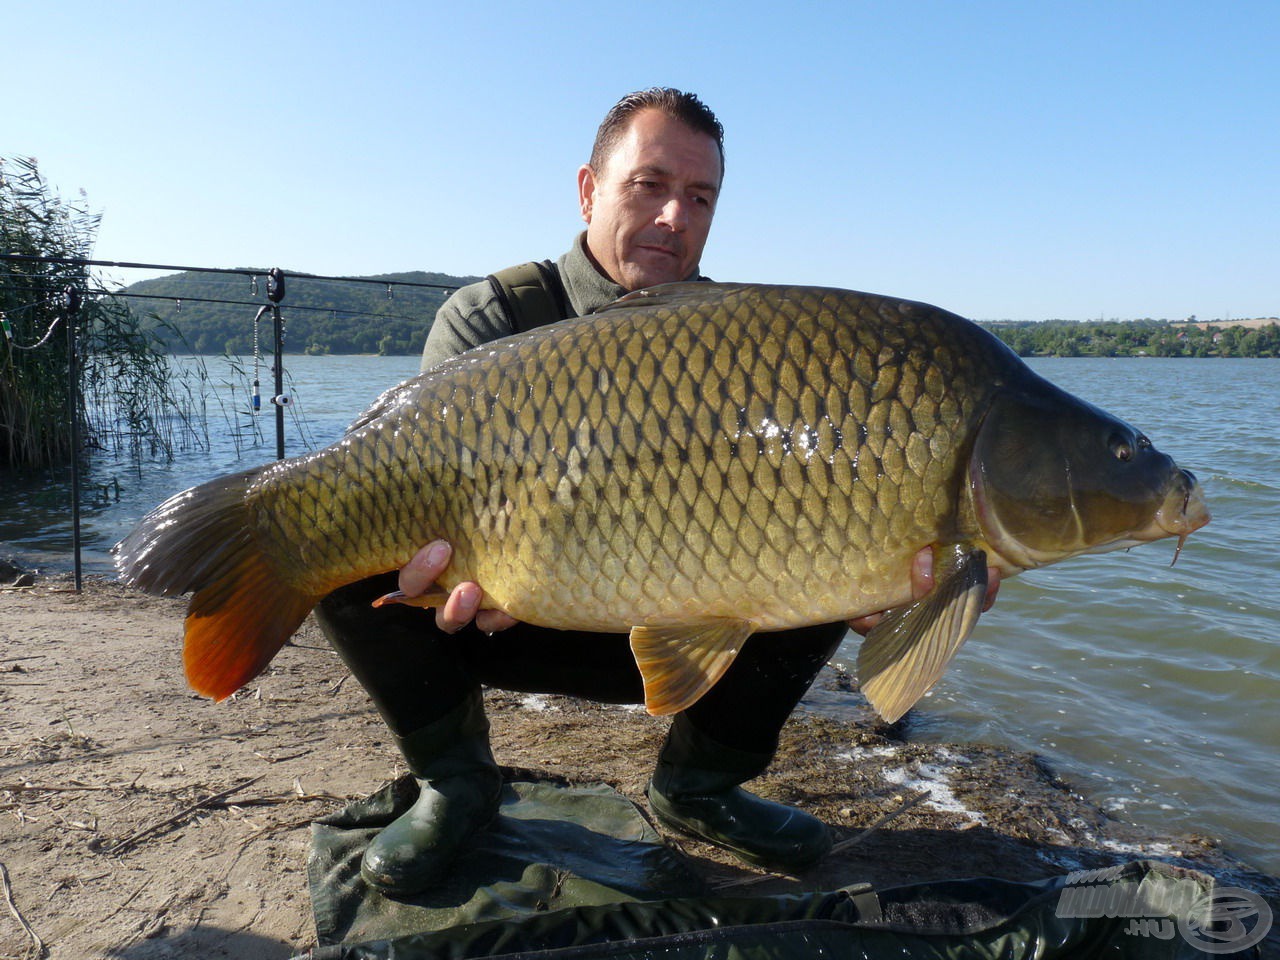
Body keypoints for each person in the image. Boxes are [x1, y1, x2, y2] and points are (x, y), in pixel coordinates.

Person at [316, 87, 999, 896]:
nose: (676, 215)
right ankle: (456, 782)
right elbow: (426, 489)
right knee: (337, 538)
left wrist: (895, 580)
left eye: (700, 196)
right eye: (650, 184)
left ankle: (698, 787)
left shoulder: (746, 343)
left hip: (677, 618)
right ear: (588, 190)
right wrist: (454, 572)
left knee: (827, 534)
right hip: (512, 619)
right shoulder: (491, 317)